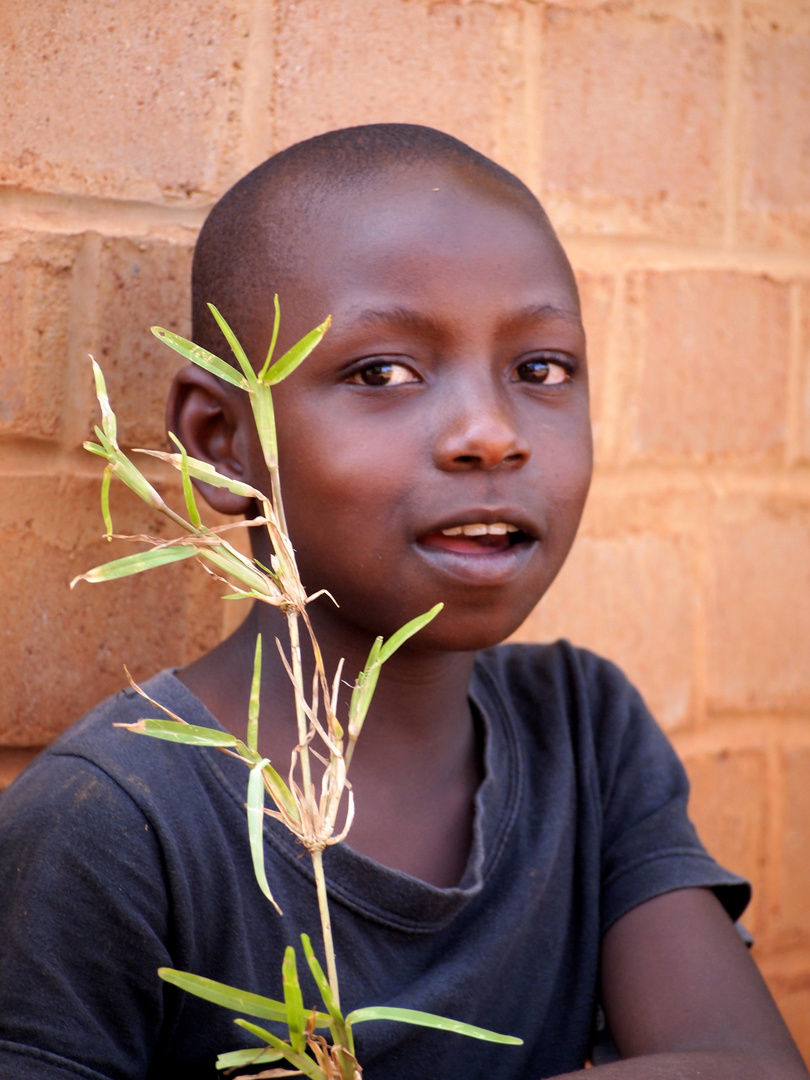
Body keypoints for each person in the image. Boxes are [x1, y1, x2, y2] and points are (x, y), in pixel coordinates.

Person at [0, 124, 806, 1080]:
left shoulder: (582, 730)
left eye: (540, 369)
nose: (490, 434)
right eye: (382, 372)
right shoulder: (115, 823)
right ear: (222, 441)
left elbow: (747, 1065)